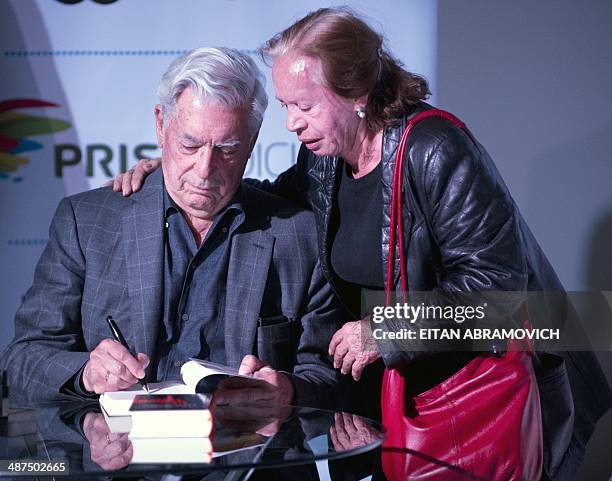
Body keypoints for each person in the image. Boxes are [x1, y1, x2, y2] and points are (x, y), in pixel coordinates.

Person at [110, 7, 611, 480]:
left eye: (305, 105)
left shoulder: (437, 151)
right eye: (286, 105)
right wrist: (179, 176)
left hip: (467, 406)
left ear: (357, 94)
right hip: (395, 405)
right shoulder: (325, 158)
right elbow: (271, 201)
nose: (291, 123)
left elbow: (499, 296)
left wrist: (384, 330)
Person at [0, 47, 345, 410]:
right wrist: (87, 373)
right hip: (121, 458)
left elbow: (331, 378)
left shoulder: (301, 237)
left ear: (253, 141)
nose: (203, 169)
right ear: (161, 125)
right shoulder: (86, 222)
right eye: (190, 144)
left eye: (227, 149)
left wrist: (286, 390)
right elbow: (21, 361)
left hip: (250, 461)